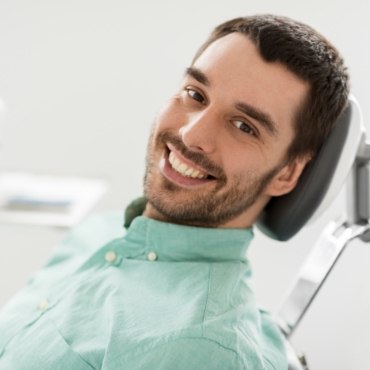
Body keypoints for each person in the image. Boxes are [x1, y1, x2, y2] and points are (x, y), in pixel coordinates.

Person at [0, 14, 349, 370]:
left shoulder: (201, 349)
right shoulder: (98, 233)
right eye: (196, 94)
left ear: (287, 173)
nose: (191, 135)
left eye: (244, 126)